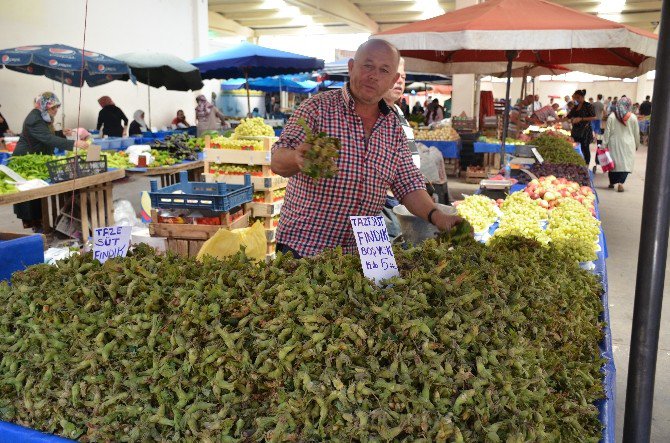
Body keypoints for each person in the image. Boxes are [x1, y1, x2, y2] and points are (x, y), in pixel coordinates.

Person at [270, 39, 463, 258]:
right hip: (306, 247)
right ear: (351, 67)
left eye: (384, 70)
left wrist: (437, 216)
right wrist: (297, 158)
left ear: (394, 80)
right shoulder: (316, 109)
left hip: (364, 253)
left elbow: (408, 183)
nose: (374, 75)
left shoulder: (393, 128)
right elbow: (277, 160)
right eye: (368, 66)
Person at [14, 92, 88, 231]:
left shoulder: (41, 116)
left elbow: (46, 134)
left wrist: (61, 133)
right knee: (31, 195)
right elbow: (47, 138)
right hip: (27, 158)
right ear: (44, 105)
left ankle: (41, 224)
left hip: (37, 156)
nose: (55, 111)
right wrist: (74, 144)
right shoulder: (34, 119)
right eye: (53, 108)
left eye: (56, 108)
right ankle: (36, 225)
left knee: (38, 193)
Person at [603, 97, 640, 192]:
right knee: (625, 165)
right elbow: (636, 133)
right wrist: (637, 144)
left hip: (614, 143)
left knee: (613, 164)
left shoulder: (612, 116)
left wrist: (604, 144)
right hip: (629, 144)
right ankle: (621, 183)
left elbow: (607, 132)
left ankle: (612, 183)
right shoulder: (633, 117)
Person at [566, 89, 597, 166]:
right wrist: (555, 120)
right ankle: (577, 164)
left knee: (585, 147)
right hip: (576, 130)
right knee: (575, 146)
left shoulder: (588, 105)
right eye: (575, 98)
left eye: (578, 97)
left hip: (585, 130)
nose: (576, 99)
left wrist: (581, 119)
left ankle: (586, 165)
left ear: (582, 97)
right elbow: (568, 117)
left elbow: (594, 117)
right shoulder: (576, 107)